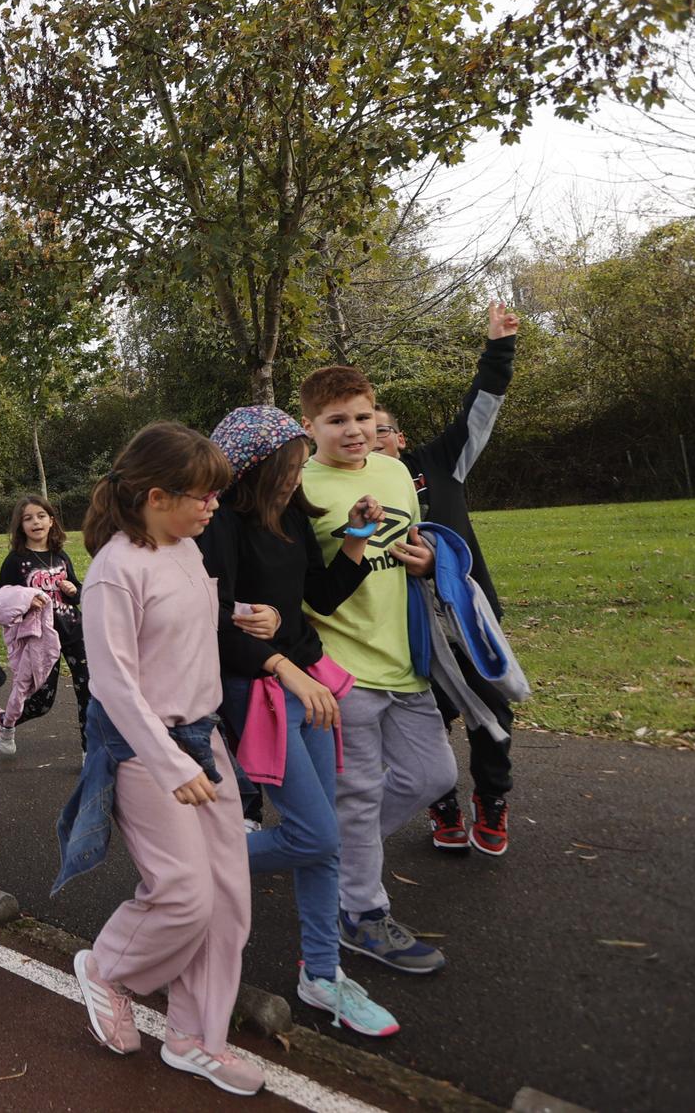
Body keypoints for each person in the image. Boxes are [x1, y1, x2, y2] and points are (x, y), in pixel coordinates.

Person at [58, 422, 262, 1095]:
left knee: (229, 900)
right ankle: (109, 969)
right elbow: (114, 683)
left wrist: (236, 615)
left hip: (204, 740)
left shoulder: (185, 548)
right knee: (184, 895)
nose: (213, 507)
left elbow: (176, 623)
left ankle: (195, 1037)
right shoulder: (115, 570)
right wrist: (174, 767)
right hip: (148, 752)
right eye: (201, 495)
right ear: (155, 495)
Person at [199, 406, 400, 1037]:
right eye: (287, 467)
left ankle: (322, 973)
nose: (296, 478)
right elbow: (211, 623)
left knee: (326, 838)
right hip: (261, 687)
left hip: (308, 681)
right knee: (316, 836)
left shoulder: (289, 515)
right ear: (255, 469)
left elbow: (321, 597)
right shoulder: (222, 525)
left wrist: (358, 539)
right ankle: (192, 866)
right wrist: (278, 659)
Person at [297, 365, 454, 975]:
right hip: (343, 667)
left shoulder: (393, 472)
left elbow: (411, 543)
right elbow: (305, 589)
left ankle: (333, 856)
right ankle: (360, 914)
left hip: (406, 659)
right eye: (337, 421)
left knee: (431, 775)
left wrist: (425, 559)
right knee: (357, 794)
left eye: (363, 417)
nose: (354, 430)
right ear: (311, 427)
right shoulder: (301, 487)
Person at [374, 301, 522, 856]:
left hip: (465, 615)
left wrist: (499, 346)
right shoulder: (350, 492)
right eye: (367, 431)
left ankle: (492, 800)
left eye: (384, 429)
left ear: (401, 437)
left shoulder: (442, 462)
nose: (375, 438)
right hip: (400, 628)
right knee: (424, 720)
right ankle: (442, 807)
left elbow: (482, 405)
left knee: (492, 709)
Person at [0, 495, 94, 755]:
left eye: (41, 516)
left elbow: (79, 592)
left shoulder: (60, 555)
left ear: (51, 521)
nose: (35, 522)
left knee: (89, 693)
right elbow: (2, 600)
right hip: (41, 639)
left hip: (73, 631)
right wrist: (26, 603)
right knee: (42, 702)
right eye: (28, 518)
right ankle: (4, 721)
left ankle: (89, 752)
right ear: (20, 526)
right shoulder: (16, 561)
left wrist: (73, 590)